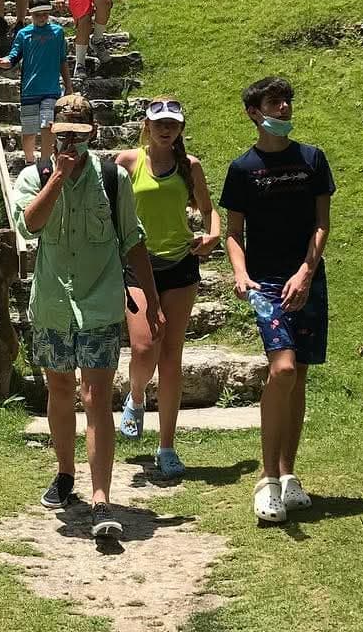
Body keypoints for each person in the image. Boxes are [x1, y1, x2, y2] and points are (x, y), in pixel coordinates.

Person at [13, 92, 162, 542]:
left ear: (92, 133)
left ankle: (101, 499)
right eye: (63, 135)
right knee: (59, 390)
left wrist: (152, 302)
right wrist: (56, 178)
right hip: (54, 305)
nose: (71, 144)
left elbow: (133, 241)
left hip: (98, 303)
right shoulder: (32, 176)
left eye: (78, 135)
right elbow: (30, 226)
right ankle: (64, 474)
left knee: (96, 396)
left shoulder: (113, 179)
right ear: (52, 134)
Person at [221, 76, 334, 525]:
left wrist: (307, 270)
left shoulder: (312, 160)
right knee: (282, 367)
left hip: (306, 276)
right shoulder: (242, 168)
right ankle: (266, 480)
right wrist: (241, 273)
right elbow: (233, 232)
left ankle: (289, 475)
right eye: (273, 102)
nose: (283, 108)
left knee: (299, 373)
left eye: (286, 101)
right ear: (254, 112)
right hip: (265, 283)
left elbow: (321, 224)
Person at [115, 97, 221, 477]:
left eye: (173, 124)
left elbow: (209, 211)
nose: (166, 129)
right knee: (145, 347)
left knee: (172, 355)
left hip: (180, 264)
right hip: (137, 264)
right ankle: (137, 397)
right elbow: (107, 204)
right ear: (147, 125)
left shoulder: (189, 167)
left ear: (180, 129)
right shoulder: (127, 162)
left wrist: (211, 236)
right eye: (159, 123)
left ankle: (167, 446)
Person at [0, 0, 72, 164]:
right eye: (37, 14)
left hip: (51, 89)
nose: (42, 17)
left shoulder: (58, 32)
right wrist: (0, 62)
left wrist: (68, 85)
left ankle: (45, 162)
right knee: (28, 129)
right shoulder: (23, 34)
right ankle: (29, 161)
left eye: (45, 13)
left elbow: (62, 60)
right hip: (29, 90)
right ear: (30, 13)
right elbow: (12, 59)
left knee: (47, 124)